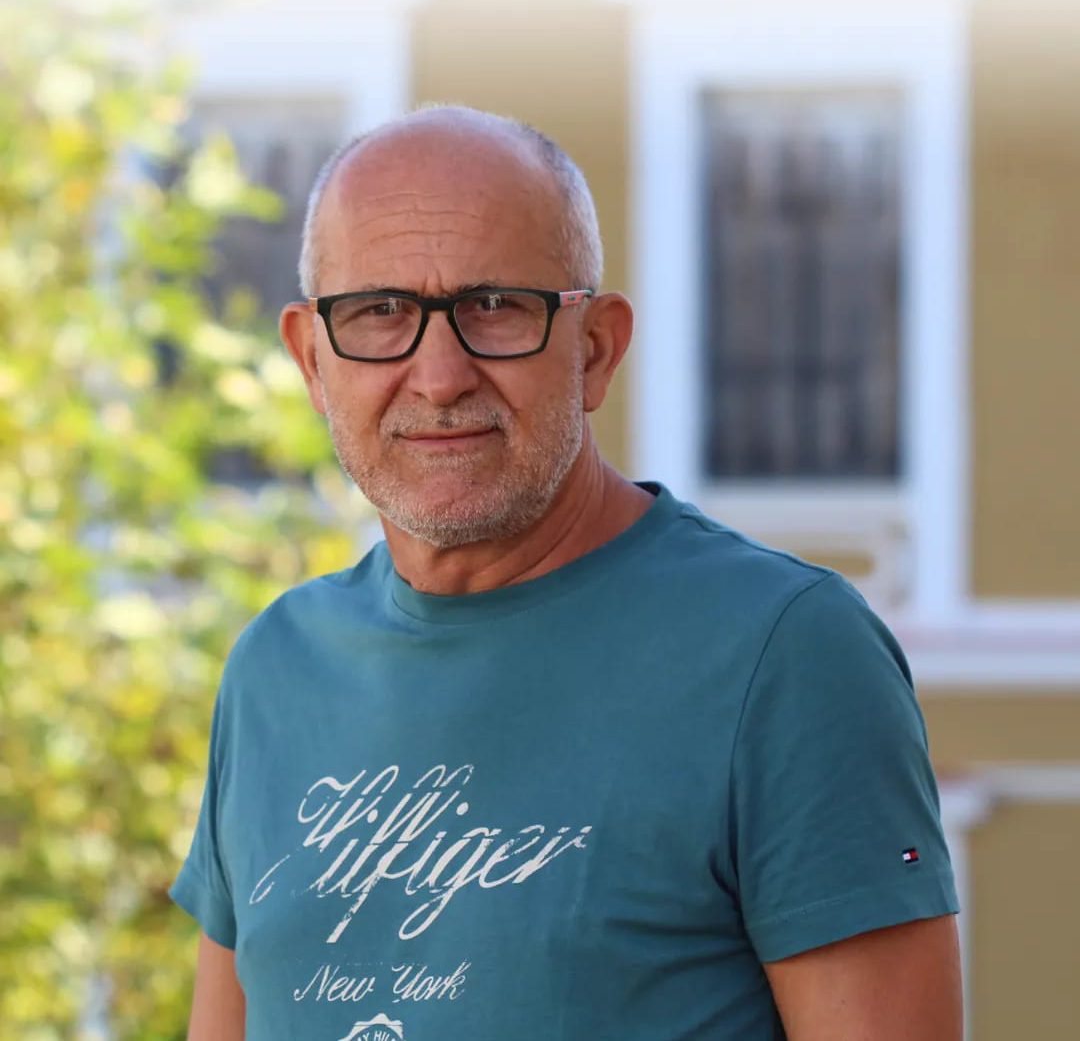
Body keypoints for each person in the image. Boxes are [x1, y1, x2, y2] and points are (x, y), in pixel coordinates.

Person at [171, 105, 962, 1041]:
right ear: (312, 358)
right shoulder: (275, 668)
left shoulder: (785, 653)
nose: (439, 376)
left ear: (594, 348)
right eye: (379, 312)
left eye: (495, 308)